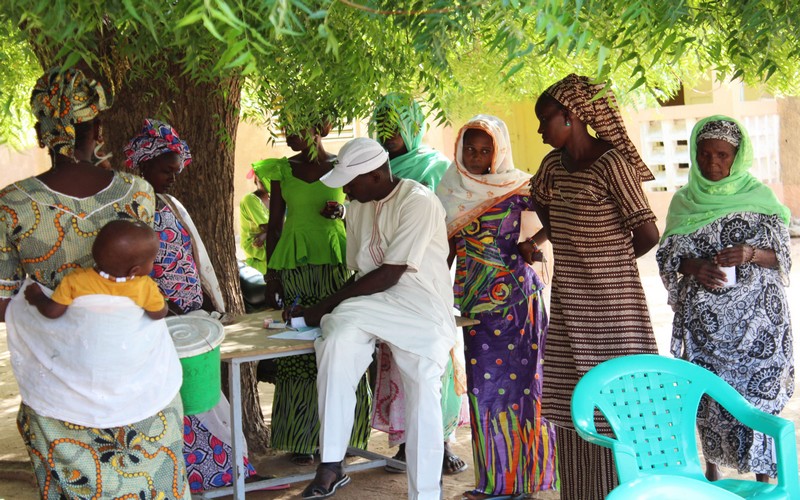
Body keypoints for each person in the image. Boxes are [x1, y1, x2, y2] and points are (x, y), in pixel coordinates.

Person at [1, 67, 189, 499]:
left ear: (42, 129)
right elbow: (142, 278)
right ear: (97, 127)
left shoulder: (11, 205)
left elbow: (3, 300)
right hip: (141, 378)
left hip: (58, 388)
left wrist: (63, 308)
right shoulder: (137, 192)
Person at [124, 119, 280, 493]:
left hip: (190, 318)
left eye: (176, 171)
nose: (174, 178)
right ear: (143, 163)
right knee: (193, 401)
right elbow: (133, 273)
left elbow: (190, 256)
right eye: (167, 170)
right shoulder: (130, 209)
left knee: (207, 398)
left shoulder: (167, 203)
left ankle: (231, 473)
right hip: (162, 321)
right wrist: (172, 313)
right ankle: (216, 476)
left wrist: (208, 300)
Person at [297, 137, 456, 500]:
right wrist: (329, 309)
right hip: (371, 300)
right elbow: (364, 274)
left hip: (419, 306)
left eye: (351, 183)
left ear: (377, 173)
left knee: (423, 393)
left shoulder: (418, 202)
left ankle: (426, 493)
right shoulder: (358, 204)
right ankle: (331, 463)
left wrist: (325, 305)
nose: (346, 191)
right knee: (336, 339)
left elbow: (391, 273)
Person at [529, 74, 660, 499]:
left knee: (622, 403)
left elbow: (647, 234)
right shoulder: (551, 167)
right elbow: (546, 211)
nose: (540, 129)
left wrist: (604, 266)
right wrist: (571, 253)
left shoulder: (611, 164)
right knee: (575, 405)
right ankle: (583, 493)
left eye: (545, 119)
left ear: (570, 117)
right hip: (570, 305)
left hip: (615, 308)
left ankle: (629, 491)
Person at [656, 116, 793, 483]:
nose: (713, 163)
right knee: (710, 399)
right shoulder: (684, 202)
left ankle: (765, 479)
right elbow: (667, 254)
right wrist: (694, 266)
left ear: (738, 155)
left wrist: (750, 253)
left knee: (758, 397)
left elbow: (782, 254)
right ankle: (712, 471)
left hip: (759, 323)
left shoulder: (760, 198)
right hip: (706, 328)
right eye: (704, 154)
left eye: (722, 154)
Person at [437, 115, 558, 499]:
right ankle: (497, 481)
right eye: (470, 149)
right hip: (474, 304)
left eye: (485, 149)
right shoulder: (449, 192)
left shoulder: (515, 185)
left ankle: (528, 479)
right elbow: (443, 252)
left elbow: (555, 213)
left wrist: (532, 242)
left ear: (497, 151)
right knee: (484, 390)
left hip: (519, 299)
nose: (476, 157)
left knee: (526, 387)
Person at [253, 124, 372, 465]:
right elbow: (274, 226)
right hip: (294, 267)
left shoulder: (342, 167)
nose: (290, 137)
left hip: (337, 267)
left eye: (298, 129)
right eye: (285, 129)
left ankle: (346, 436)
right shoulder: (281, 170)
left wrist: (343, 213)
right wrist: (271, 276)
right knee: (298, 349)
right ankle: (301, 438)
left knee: (342, 344)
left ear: (322, 129)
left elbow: (363, 215)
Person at [370, 92, 466, 477]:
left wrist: (436, 278)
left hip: (429, 274)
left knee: (432, 358)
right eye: (383, 126)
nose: (389, 134)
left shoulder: (435, 167)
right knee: (396, 361)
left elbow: (452, 226)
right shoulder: (374, 169)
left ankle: (439, 442)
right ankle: (408, 441)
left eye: (397, 124)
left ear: (414, 124)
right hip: (387, 273)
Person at [24, 220, 167, 320]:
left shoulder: (76, 279)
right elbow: (158, 314)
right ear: (134, 271)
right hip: (124, 349)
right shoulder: (145, 286)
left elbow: (52, 312)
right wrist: (161, 301)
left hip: (86, 348)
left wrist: (36, 297)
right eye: (152, 260)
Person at [371, 92, 451, 190]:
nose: (388, 134)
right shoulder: (372, 168)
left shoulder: (437, 166)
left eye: (394, 126)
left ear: (413, 126)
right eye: (382, 127)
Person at [240, 168, 270, 274]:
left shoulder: (274, 200)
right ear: (256, 179)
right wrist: (266, 232)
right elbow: (267, 226)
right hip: (257, 253)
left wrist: (265, 235)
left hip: (271, 252)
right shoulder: (250, 199)